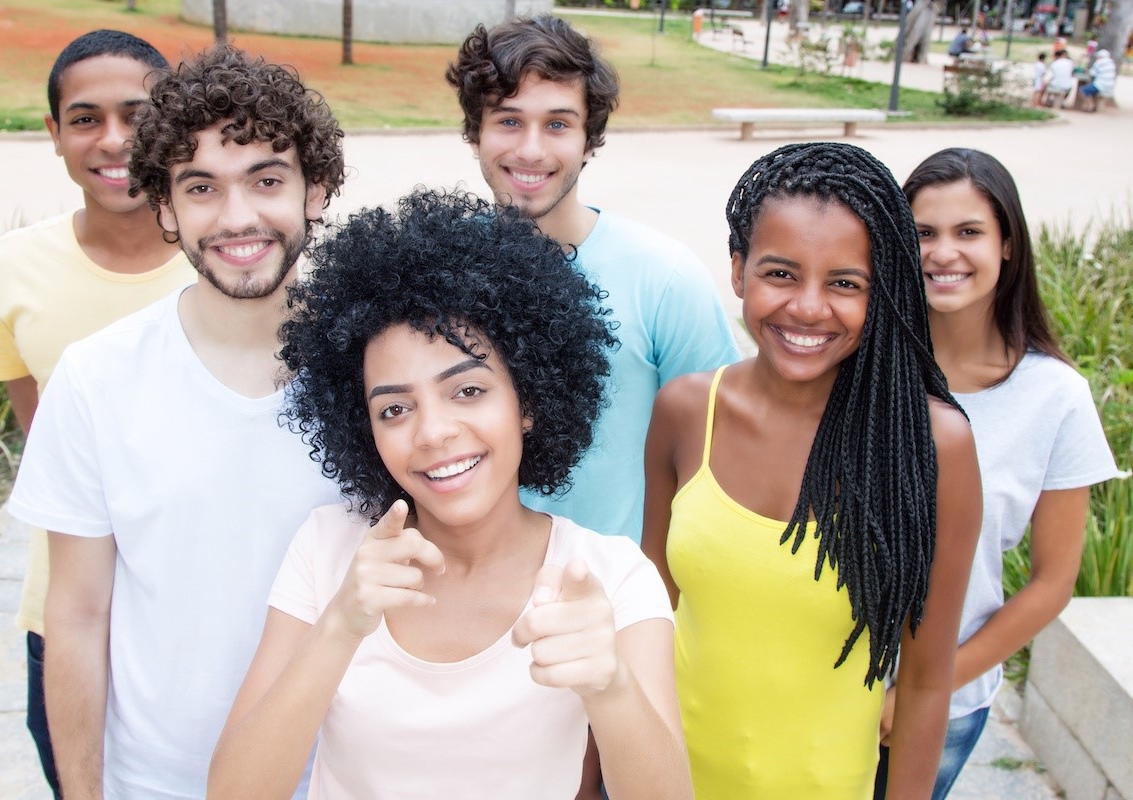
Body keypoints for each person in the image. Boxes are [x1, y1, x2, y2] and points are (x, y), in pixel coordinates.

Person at [208, 188, 690, 800]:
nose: (433, 432)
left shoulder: (608, 577)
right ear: (364, 429)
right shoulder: (329, 551)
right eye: (394, 408)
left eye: (467, 391)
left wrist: (612, 686)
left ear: (530, 400)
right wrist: (340, 626)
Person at [7, 44, 346, 799]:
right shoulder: (96, 380)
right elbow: (76, 615)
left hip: (341, 775)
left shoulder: (381, 373)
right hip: (154, 782)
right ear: (164, 206)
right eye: (201, 187)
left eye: (266, 180)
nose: (237, 218)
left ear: (314, 189)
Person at [641, 142, 983, 799]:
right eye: (780, 273)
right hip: (668, 780)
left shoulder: (933, 445)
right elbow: (652, 618)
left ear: (879, 290)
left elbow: (926, 680)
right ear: (738, 271)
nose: (807, 307)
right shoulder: (686, 411)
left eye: (845, 283)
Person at [0, 29, 195, 798]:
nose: (116, 139)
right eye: (86, 117)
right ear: (54, 135)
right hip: (68, 615)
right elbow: (45, 440)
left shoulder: (233, 261)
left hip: (205, 608)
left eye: (138, 112)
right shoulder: (14, 265)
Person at [872, 148, 1120, 800]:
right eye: (924, 232)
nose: (943, 252)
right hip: (818, 679)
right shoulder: (860, 365)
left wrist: (928, 685)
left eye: (969, 232)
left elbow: (1051, 583)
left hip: (944, 702)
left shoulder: (1054, 396)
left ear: (1007, 244)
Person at [445, 15, 739, 546]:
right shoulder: (437, 273)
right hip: (471, 600)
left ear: (588, 140)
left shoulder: (664, 279)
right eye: (508, 121)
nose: (531, 150)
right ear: (475, 133)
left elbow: (722, 453)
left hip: (617, 603)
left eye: (557, 124)